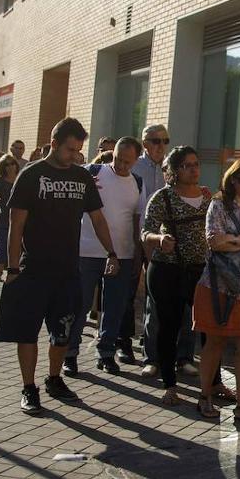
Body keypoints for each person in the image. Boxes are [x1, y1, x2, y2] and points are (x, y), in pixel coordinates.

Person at [0, 117, 120, 415]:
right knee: (27, 332)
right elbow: (16, 225)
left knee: (62, 333)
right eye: (70, 149)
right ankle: (29, 387)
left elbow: (98, 219)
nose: (75, 156)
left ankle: (53, 378)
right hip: (32, 269)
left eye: (78, 150)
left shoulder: (81, 177)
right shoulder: (31, 175)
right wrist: (12, 269)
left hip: (67, 271)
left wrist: (111, 252)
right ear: (54, 144)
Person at [65, 137, 145, 376]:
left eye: (127, 162)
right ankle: (70, 353)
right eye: (118, 159)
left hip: (122, 254)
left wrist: (137, 255)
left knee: (114, 307)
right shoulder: (93, 172)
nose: (121, 165)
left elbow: (136, 221)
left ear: (135, 160)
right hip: (87, 251)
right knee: (80, 304)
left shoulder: (137, 183)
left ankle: (106, 353)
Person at [197, 158, 240, 424]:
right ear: (232, 179)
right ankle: (205, 396)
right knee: (215, 341)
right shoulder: (218, 203)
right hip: (218, 285)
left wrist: (234, 240)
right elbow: (214, 241)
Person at [141, 146, 210, 405]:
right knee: (168, 327)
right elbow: (145, 231)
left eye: (196, 164)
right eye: (186, 165)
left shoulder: (206, 197)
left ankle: (212, 382)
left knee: (206, 326)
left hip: (200, 271)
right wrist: (159, 239)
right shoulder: (162, 197)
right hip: (167, 270)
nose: (193, 169)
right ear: (174, 170)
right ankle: (170, 384)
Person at [131, 124, 196, 375]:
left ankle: (184, 357)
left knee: (187, 309)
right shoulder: (136, 168)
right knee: (155, 306)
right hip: (151, 245)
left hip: (188, 259)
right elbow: (143, 220)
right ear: (145, 142)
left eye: (165, 140)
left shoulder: (199, 193)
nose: (161, 145)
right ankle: (152, 358)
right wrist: (154, 241)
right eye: (156, 140)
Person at [0, 155, 21, 283]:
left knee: (17, 244)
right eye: (7, 165)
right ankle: (0, 271)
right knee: (2, 243)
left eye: (12, 163)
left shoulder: (20, 179)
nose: (10, 167)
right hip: (3, 217)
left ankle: (13, 270)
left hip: (19, 217)